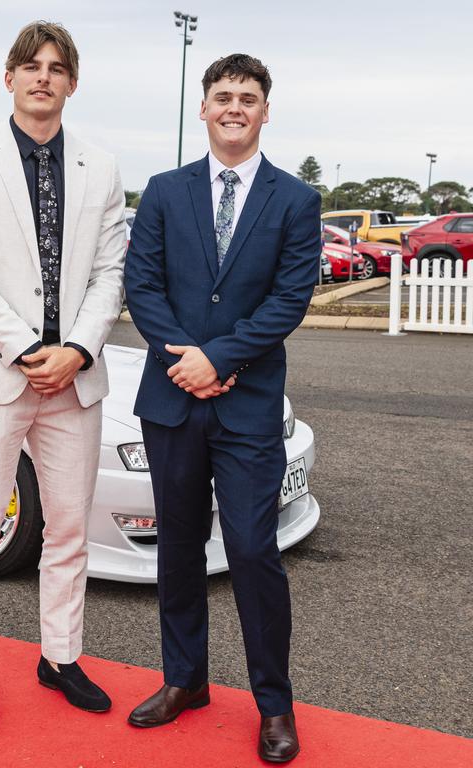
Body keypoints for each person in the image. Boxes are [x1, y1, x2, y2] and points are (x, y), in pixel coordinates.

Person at [123, 54, 320, 763]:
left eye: (248, 97)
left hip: (248, 407)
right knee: (176, 550)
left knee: (250, 550)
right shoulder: (164, 191)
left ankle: (275, 704)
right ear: (203, 108)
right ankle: (185, 682)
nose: (234, 106)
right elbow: (141, 285)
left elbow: (289, 299)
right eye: (222, 96)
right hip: (172, 400)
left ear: (266, 112)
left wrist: (221, 358)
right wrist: (187, 362)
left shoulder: (294, 200)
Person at [0, 21, 126, 730]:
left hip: (75, 381)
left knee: (69, 531)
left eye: (56, 67)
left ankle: (61, 656)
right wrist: (23, 348)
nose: (42, 76)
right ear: (8, 77)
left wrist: (75, 349)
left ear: (72, 83)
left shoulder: (101, 168)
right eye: (30, 65)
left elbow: (111, 274)